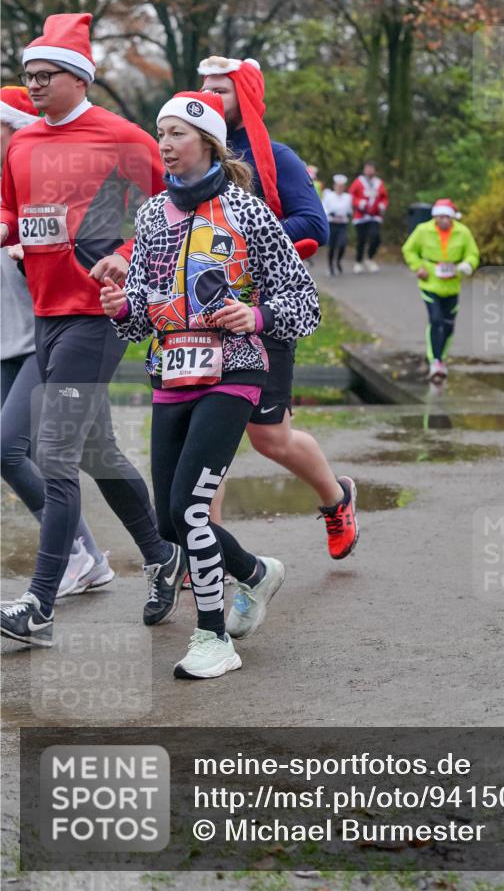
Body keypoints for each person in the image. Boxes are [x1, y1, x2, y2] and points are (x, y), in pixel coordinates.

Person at [100, 91, 320, 679]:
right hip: (172, 372)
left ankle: (213, 637)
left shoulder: (248, 213)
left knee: (189, 509)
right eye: (160, 133)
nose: (165, 145)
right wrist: (123, 307)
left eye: (176, 133)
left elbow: (304, 301)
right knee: (170, 521)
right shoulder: (151, 217)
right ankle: (254, 572)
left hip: (235, 372)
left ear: (208, 143)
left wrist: (258, 317)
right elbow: (145, 318)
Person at [0, 13, 184, 648]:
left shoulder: (124, 140)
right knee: (92, 451)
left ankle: (40, 604)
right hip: (46, 314)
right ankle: (164, 556)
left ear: (79, 77)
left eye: (44, 75)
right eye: (27, 76)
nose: (33, 85)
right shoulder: (23, 145)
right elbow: (12, 210)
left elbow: (167, 214)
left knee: (51, 453)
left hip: (98, 314)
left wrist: (128, 254)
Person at [198, 56, 358, 559]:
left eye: (220, 91)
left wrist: (242, 241)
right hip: (202, 315)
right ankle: (205, 549)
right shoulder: (190, 154)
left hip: (267, 310)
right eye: (202, 90)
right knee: (204, 438)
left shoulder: (277, 157)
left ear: (243, 98)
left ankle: (337, 499)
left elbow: (314, 225)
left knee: (269, 438)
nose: (209, 99)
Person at [0, 86, 114, 598]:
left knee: (12, 450)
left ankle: (75, 559)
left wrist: (30, 251)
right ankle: (110, 555)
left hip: (44, 339)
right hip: (9, 342)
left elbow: (79, 252)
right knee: (94, 454)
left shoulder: (44, 185)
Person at [401, 198, 480, 383]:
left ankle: (442, 358)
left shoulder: (463, 232)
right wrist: (418, 266)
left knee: (448, 325)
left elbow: (473, 253)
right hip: (430, 282)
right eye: (440, 217)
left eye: (447, 217)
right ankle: (435, 361)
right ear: (435, 217)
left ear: (452, 218)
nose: (443, 220)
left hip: (452, 284)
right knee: (435, 320)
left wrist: (468, 265)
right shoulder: (423, 230)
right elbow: (408, 250)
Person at [349, 161, 389, 273]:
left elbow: (384, 198)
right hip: (361, 216)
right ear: (364, 170)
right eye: (367, 168)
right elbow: (351, 195)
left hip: (375, 216)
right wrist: (359, 203)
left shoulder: (379, 183)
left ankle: (370, 258)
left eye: (371, 168)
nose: (369, 170)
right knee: (361, 240)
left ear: (375, 170)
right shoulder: (358, 181)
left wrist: (382, 205)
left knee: (376, 237)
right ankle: (358, 262)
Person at [322, 174, 353, 275]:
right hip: (331, 224)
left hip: (342, 225)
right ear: (334, 186)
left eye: (342, 186)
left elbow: (350, 210)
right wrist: (330, 213)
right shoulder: (329, 195)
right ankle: (330, 266)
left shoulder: (348, 197)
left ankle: (338, 261)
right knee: (332, 246)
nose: (340, 188)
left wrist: (348, 214)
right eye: (338, 185)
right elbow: (323, 208)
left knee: (342, 244)